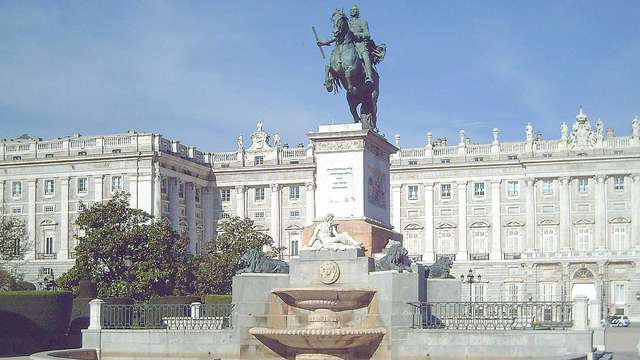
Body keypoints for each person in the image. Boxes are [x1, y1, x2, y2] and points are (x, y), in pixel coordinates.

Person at [348, 5, 374, 83]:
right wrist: (324, 42)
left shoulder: (362, 22)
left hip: (360, 44)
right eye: (351, 10)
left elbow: (367, 34)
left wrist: (357, 34)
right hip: (349, 45)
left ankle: (369, 76)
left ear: (357, 12)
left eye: (354, 10)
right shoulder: (347, 23)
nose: (352, 11)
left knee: (365, 56)